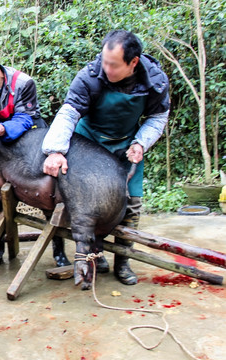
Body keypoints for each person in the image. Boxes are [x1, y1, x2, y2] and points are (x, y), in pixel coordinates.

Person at [42, 30, 170, 285]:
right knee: (88, 200)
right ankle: (94, 253)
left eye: (113, 65)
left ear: (133, 63)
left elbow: (158, 118)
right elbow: (68, 113)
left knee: (131, 203)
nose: (106, 67)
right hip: (88, 142)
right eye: (104, 61)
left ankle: (123, 261)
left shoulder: (155, 81)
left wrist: (141, 143)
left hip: (125, 146)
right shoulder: (89, 77)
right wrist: (55, 150)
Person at [0, 42, 68, 268]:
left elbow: (26, 118)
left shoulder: (23, 83)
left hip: (30, 142)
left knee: (46, 195)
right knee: (0, 196)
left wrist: (2, 129)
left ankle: (59, 251)